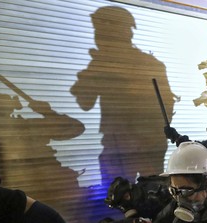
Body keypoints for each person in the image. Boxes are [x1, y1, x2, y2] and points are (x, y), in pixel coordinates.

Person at [70, 6, 176, 186]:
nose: (98, 37)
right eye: (98, 31)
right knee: (117, 197)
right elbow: (85, 102)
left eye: (102, 32)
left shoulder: (150, 64)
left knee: (152, 196)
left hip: (146, 146)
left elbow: (166, 106)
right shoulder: (99, 64)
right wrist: (91, 74)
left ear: (122, 32)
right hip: (116, 145)